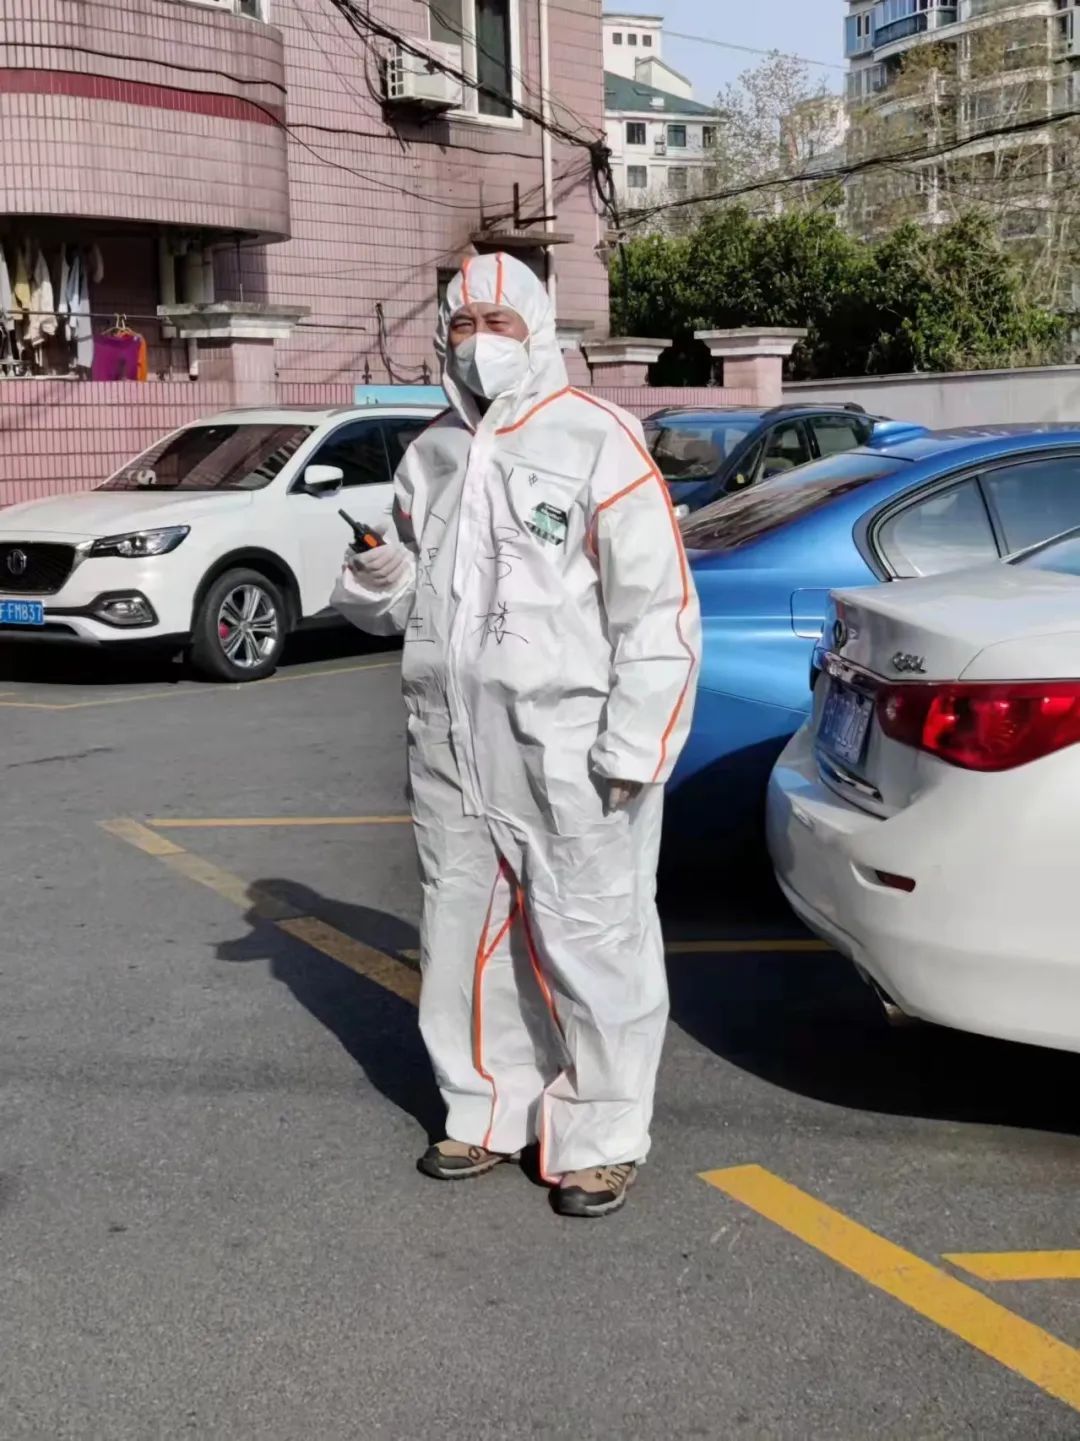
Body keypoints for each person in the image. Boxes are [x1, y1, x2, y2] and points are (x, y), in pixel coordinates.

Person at [332, 252, 700, 1218]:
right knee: (462, 931)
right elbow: (407, 605)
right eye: (462, 325)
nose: (479, 342)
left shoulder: (596, 438)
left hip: (568, 743)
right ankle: (486, 1108)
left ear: (536, 330)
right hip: (450, 741)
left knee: (593, 937)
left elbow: (656, 607)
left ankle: (602, 1136)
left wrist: (636, 742)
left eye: (498, 323)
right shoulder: (431, 455)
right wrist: (379, 573)